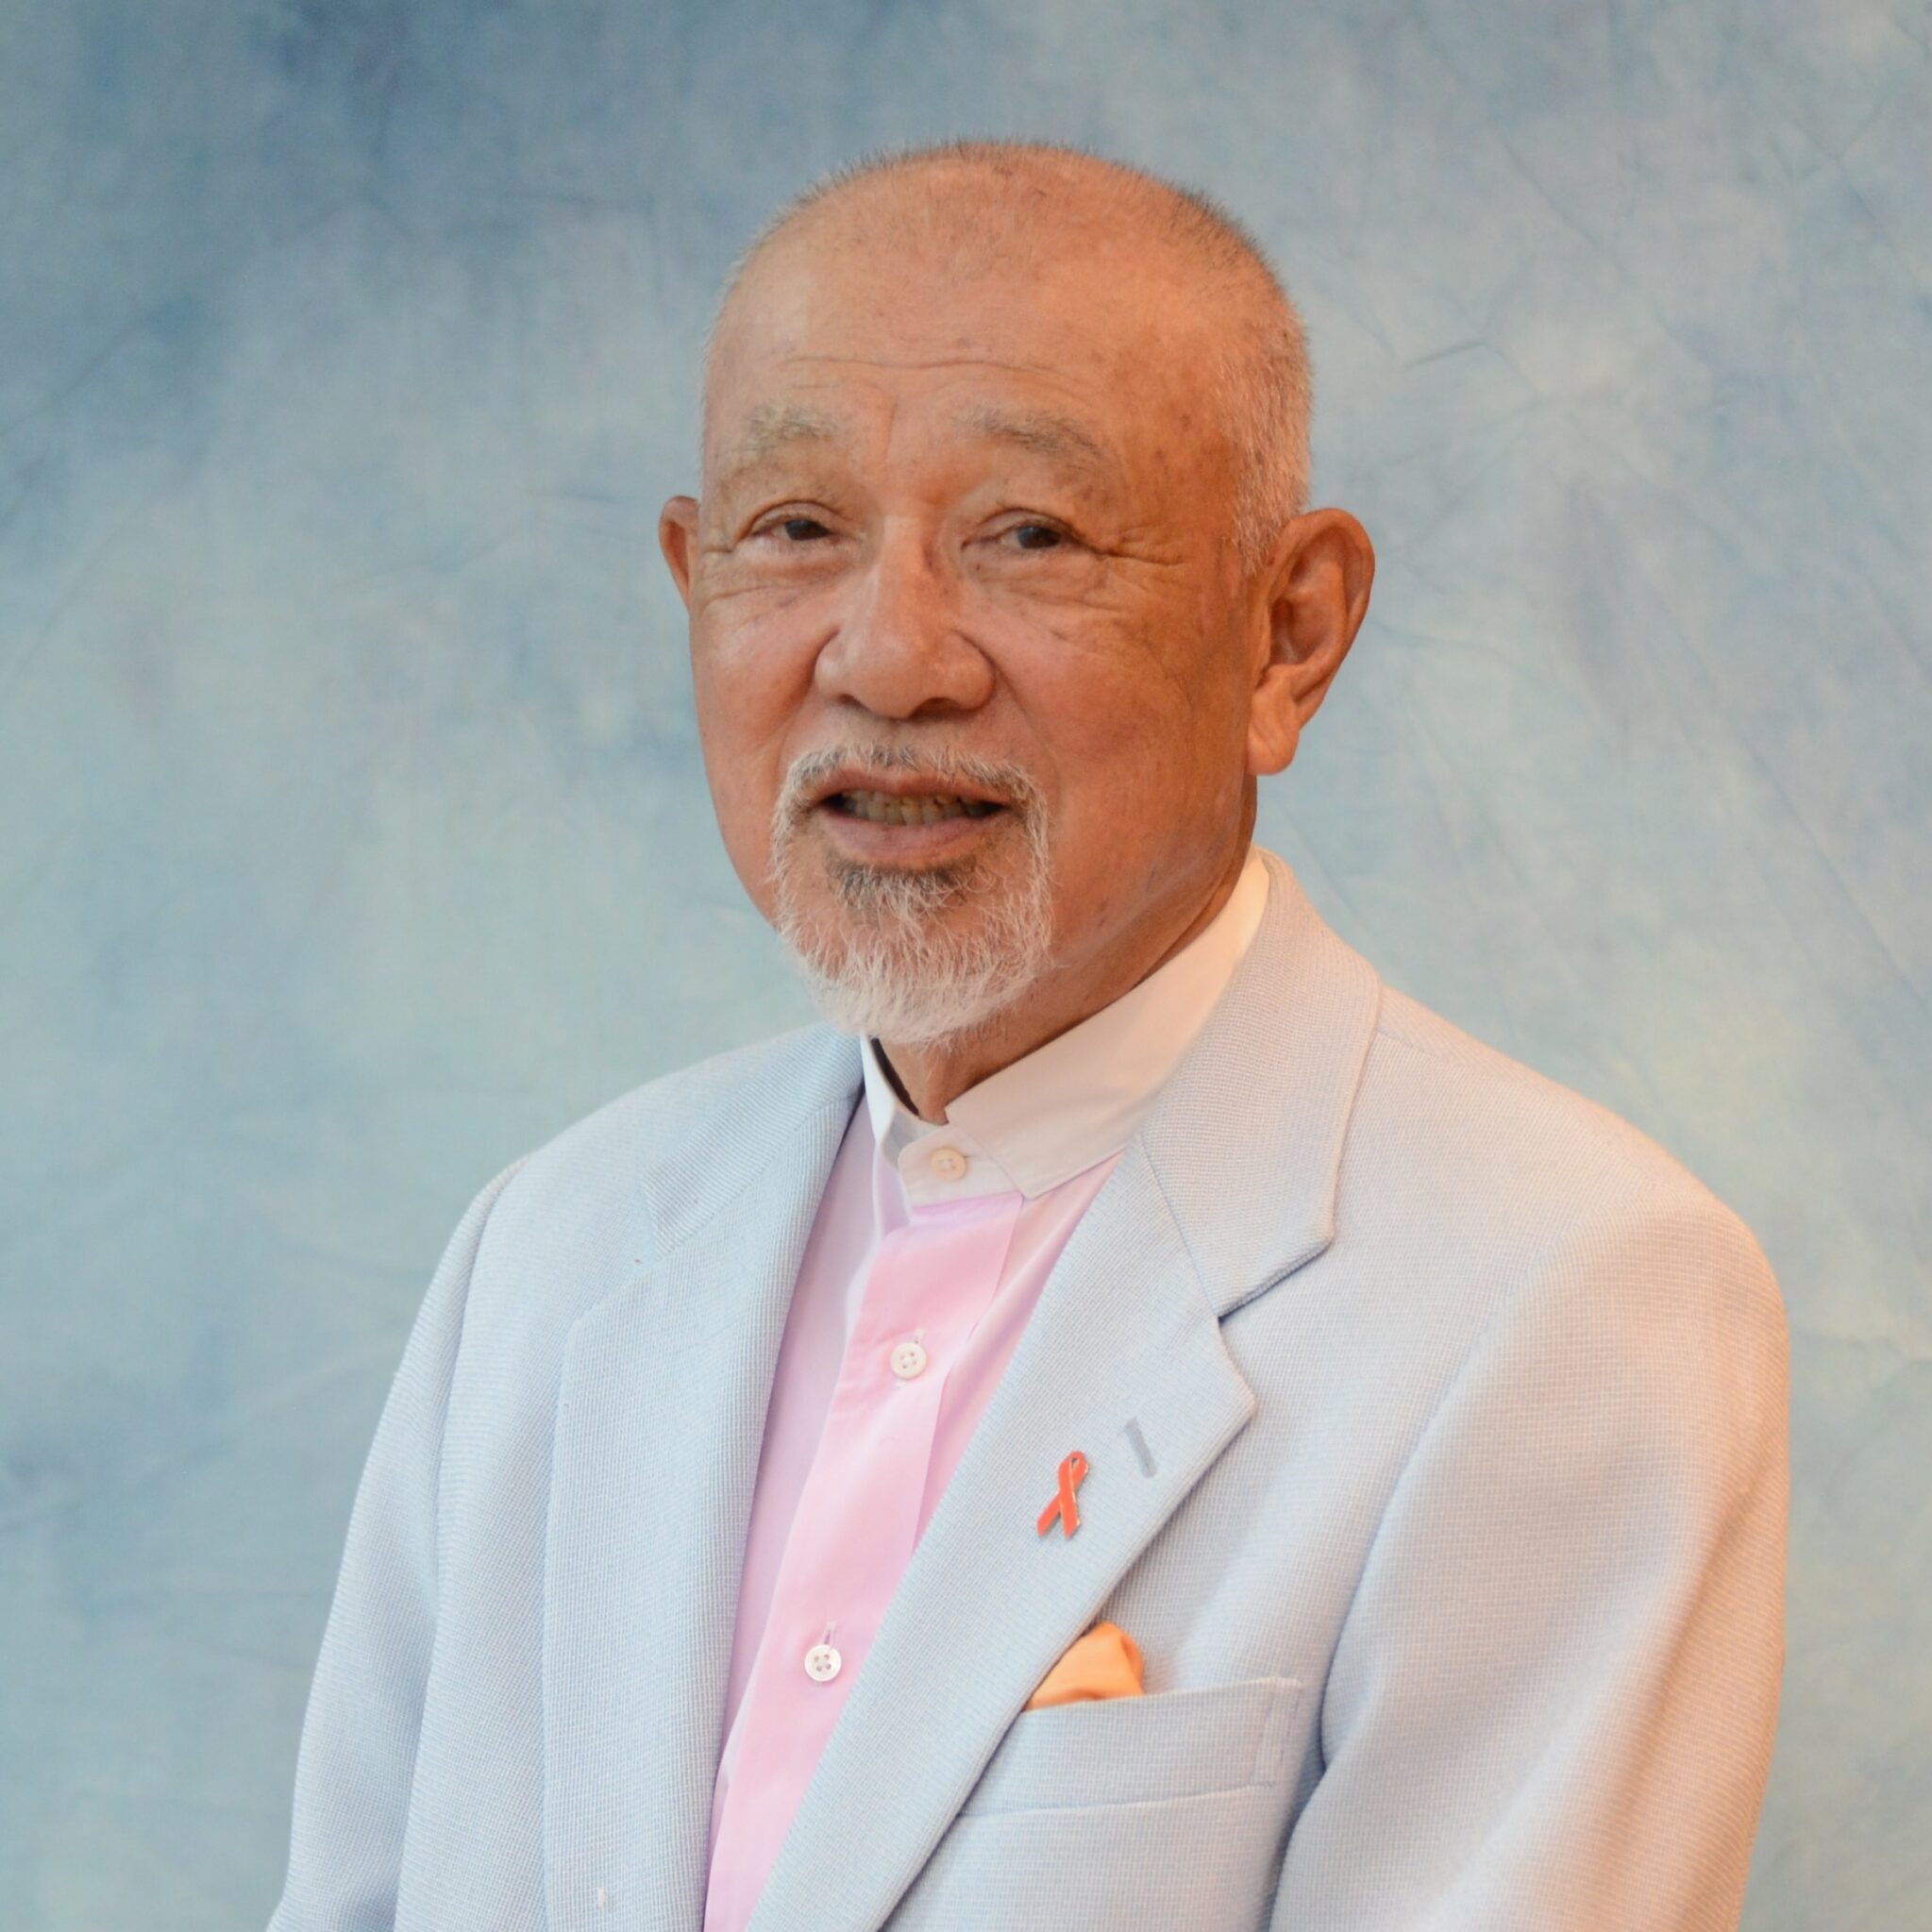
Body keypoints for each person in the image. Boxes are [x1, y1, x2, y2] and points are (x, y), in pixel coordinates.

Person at [265, 140, 1789, 1932]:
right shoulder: (552, 1246)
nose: (891, 657)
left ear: (1288, 635)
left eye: (1029, 536)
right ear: (694, 582)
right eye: (797, 532)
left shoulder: (1563, 1299)